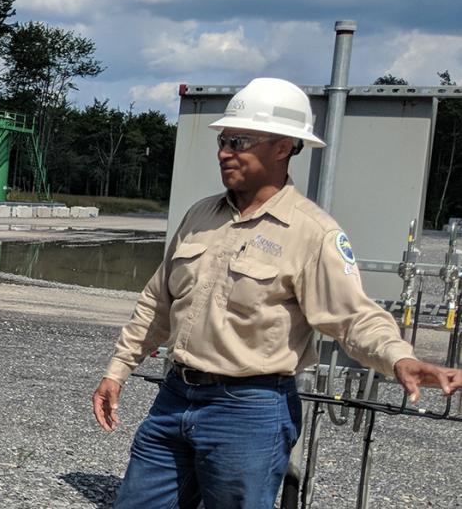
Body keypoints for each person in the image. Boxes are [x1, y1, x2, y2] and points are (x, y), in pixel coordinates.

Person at [92, 77, 462, 508]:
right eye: (224, 139)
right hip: (175, 397)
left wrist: (400, 358)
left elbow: (352, 316)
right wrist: (117, 370)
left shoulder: (313, 233)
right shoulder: (200, 215)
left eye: (240, 140)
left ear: (284, 147)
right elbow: (158, 302)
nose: (224, 151)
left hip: (249, 411)